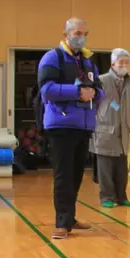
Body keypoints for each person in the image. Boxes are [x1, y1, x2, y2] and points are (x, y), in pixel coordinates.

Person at [38, 18, 104, 240]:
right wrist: (77, 93)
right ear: (66, 34)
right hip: (61, 125)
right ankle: (61, 222)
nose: (81, 37)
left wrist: (94, 93)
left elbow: (100, 89)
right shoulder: (52, 58)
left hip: (83, 126)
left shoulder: (88, 61)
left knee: (76, 175)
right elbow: (47, 89)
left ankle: (70, 218)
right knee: (63, 175)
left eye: (85, 33)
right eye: (77, 33)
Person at [89, 48, 130, 208]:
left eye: (126, 62)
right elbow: (93, 104)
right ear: (113, 63)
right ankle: (107, 197)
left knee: (121, 168)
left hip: (123, 131)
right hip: (104, 131)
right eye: (121, 62)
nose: (124, 65)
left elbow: (123, 106)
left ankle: (121, 196)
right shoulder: (101, 81)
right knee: (105, 168)